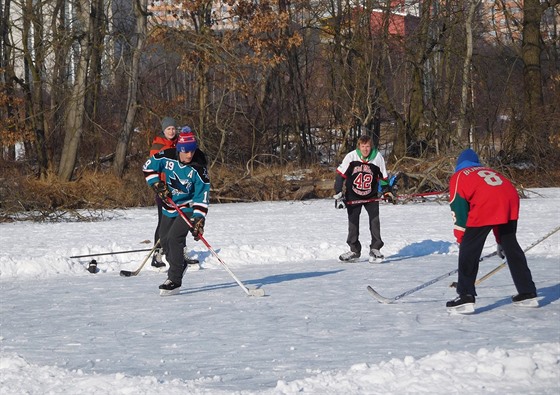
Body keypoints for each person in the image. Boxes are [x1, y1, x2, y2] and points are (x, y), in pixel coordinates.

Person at [447, 148, 537, 313]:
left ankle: (465, 296)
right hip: (510, 198)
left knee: (469, 248)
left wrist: (462, 239)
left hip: (487, 203)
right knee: (511, 245)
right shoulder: (487, 171)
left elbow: (458, 208)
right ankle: (527, 292)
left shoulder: (459, 176)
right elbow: (497, 199)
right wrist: (500, 240)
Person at [143, 131, 211, 295]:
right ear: (179, 149)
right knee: (164, 240)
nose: (189, 154)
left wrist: (198, 219)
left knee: (175, 238)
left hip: (187, 207)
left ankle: (174, 279)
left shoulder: (199, 169)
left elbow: (202, 197)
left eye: (192, 151)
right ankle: (179, 264)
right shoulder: (166, 156)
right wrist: (157, 184)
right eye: (186, 151)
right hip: (169, 206)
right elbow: (148, 167)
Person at [333, 135, 393, 263]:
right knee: (353, 223)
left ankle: (376, 248)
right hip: (353, 195)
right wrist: (338, 192)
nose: (365, 149)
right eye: (363, 146)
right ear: (359, 147)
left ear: (371, 147)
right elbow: (340, 176)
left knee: (374, 221)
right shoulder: (351, 157)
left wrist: (387, 191)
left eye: (368, 146)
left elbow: (383, 177)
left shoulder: (377, 157)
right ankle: (354, 250)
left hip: (371, 195)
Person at [149, 117, 178, 268]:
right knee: (164, 222)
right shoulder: (158, 145)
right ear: (164, 130)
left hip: (179, 190)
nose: (171, 131)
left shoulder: (179, 144)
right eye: (168, 129)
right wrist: (160, 186)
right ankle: (157, 254)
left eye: (173, 129)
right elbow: (152, 168)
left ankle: (179, 253)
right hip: (163, 191)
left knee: (180, 222)